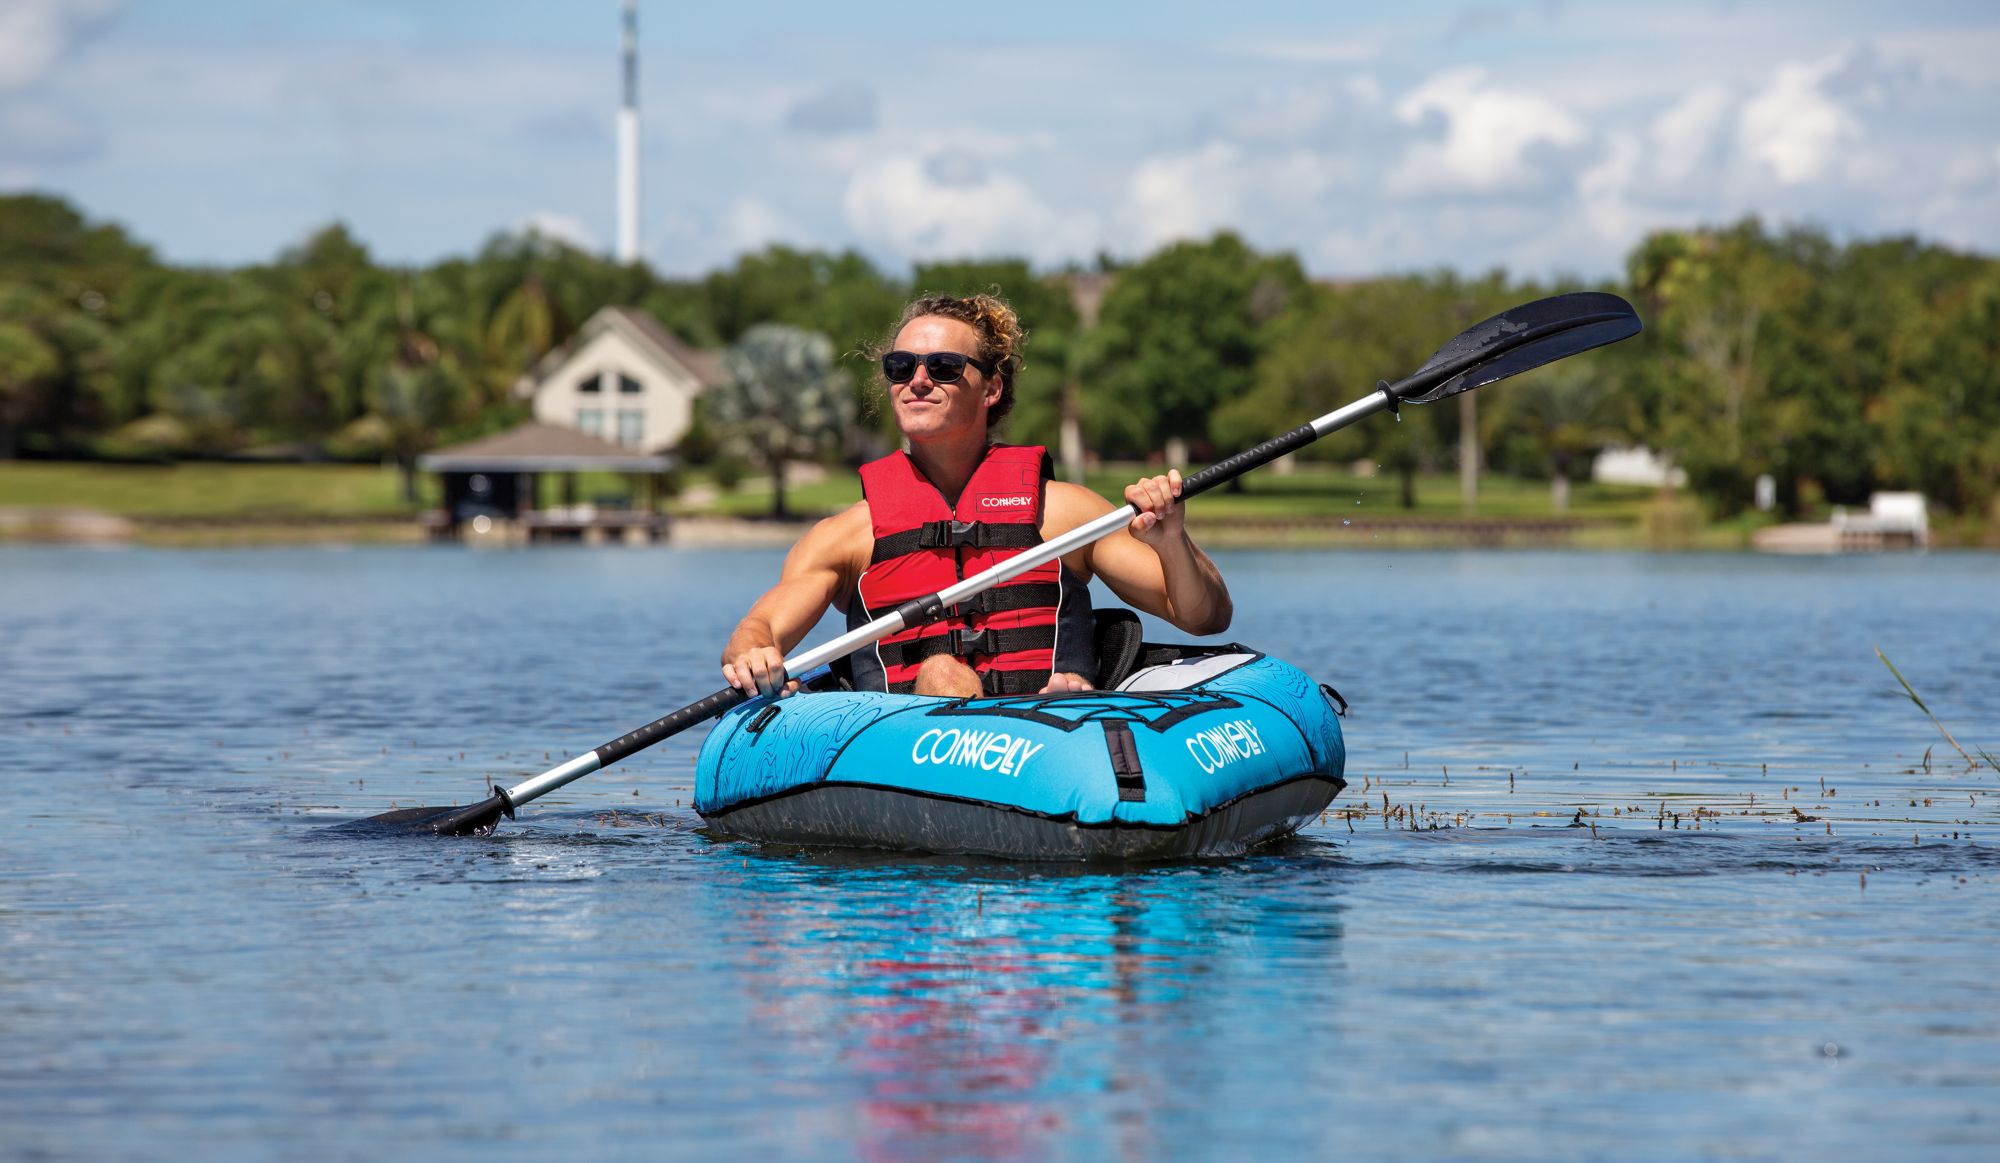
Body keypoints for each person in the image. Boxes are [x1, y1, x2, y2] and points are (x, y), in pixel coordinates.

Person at [720, 293, 1231, 700]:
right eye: (901, 366)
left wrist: (1172, 542)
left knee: (974, 679)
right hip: (902, 757)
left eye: (943, 366)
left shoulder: (1065, 514)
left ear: (991, 389)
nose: (917, 381)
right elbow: (759, 628)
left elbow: (1202, 616)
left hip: (1058, 734)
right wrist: (754, 654)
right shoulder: (848, 536)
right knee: (942, 672)